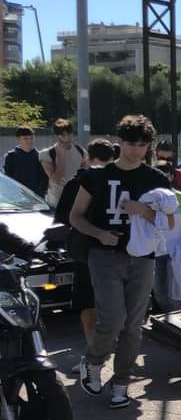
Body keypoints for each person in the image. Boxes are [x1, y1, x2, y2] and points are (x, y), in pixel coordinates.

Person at [70, 115, 172, 409]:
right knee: (113, 319)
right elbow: (75, 217)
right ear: (119, 143)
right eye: (131, 143)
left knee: (133, 324)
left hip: (143, 257)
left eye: (143, 144)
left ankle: (122, 382)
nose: (137, 150)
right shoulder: (95, 176)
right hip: (104, 256)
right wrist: (100, 233)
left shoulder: (157, 179)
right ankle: (92, 362)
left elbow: (173, 221)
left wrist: (144, 211)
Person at [53, 138, 115, 371]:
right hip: (117, 252)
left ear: (87, 158)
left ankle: (93, 357)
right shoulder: (121, 182)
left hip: (85, 254)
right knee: (114, 305)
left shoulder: (77, 183)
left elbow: (62, 219)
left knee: (88, 306)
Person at [150, 162, 181, 313]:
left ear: (171, 176)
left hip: (177, 253)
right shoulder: (148, 199)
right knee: (159, 292)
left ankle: (176, 321)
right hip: (156, 252)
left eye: (165, 174)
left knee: (176, 294)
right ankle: (168, 319)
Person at [40, 118, 87, 208]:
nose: (67, 138)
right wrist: (61, 157)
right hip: (56, 202)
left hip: (75, 201)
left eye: (69, 134)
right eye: (63, 135)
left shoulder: (81, 152)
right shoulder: (46, 154)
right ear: (57, 136)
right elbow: (56, 179)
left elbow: (84, 178)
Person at [3, 127, 47, 196]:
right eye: (25, 138)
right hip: (16, 195)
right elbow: (8, 178)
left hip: (36, 196)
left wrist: (41, 193)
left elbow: (44, 178)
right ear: (18, 139)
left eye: (31, 138)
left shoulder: (40, 156)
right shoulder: (11, 156)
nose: (29, 141)